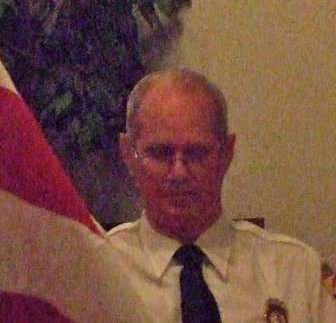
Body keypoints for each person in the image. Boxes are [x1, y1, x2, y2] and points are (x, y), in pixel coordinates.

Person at [108, 68, 335, 323]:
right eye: (161, 153)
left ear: (227, 153)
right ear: (128, 153)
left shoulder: (296, 272)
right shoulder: (97, 272)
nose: (179, 172)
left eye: (197, 153)